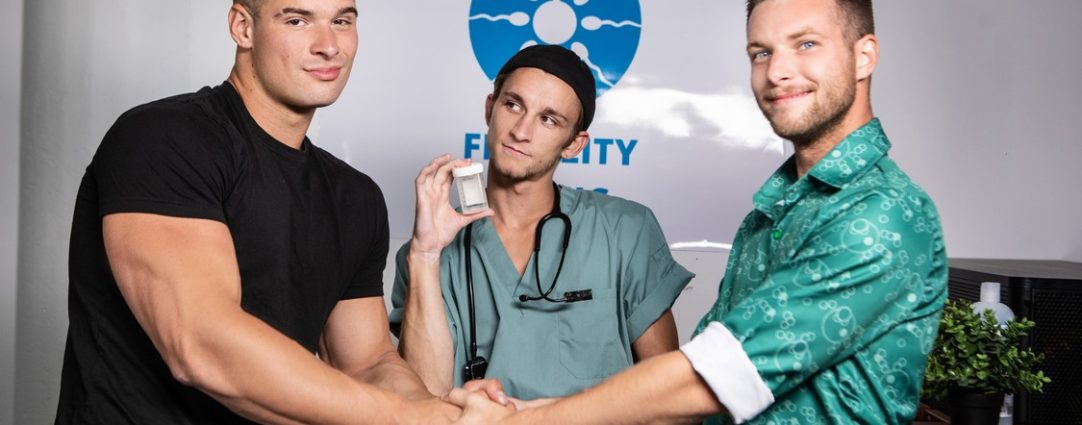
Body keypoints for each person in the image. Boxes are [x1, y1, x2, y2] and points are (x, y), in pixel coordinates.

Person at [447, 0, 948, 423]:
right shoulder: (773, 213)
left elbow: (715, 376)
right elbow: (690, 383)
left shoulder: (881, 214)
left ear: (864, 56)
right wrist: (531, 408)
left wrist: (528, 419)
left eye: (806, 44)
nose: (778, 71)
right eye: (761, 52)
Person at [55, 0, 459, 423]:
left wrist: (441, 412)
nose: (328, 45)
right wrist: (415, 419)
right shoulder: (163, 138)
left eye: (342, 21)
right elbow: (202, 346)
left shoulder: (355, 197)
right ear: (243, 27)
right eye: (297, 20)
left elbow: (368, 363)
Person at [389, 45, 694, 400]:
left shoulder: (624, 231)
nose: (521, 131)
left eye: (549, 119)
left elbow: (668, 396)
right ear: (489, 109)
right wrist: (426, 254)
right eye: (513, 105)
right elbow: (423, 402)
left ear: (574, 144)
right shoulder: (428, 254)